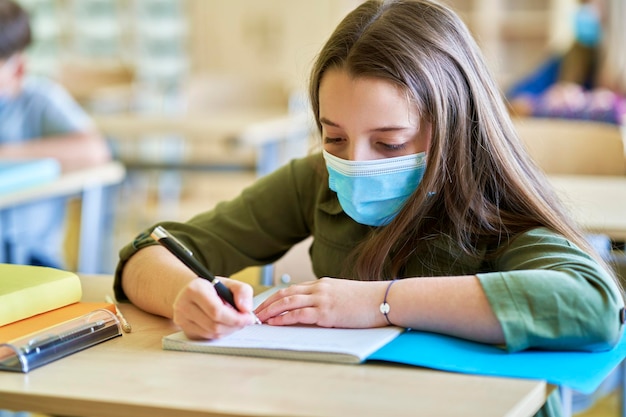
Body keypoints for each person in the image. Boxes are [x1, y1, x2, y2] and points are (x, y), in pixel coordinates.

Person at [115, 1, 624, 416]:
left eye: (389, 143)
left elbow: (593, 305)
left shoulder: (491, 207)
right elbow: (146, 253)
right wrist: (187, 295)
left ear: (452, 128)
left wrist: (379, 302)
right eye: (334, 137)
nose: (353, 163)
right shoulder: (317, 180)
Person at [0, 0, 111, 268]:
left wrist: (7, 154)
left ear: (18, 68)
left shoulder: (38, 99)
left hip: (31, 259)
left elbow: (95, 150)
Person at [507, 0, 626, 125]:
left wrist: (612, 105)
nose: (583, 12)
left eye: (589, 3)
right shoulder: (571, 59)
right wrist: (546, 102)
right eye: (582, 4)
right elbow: (512, 102)